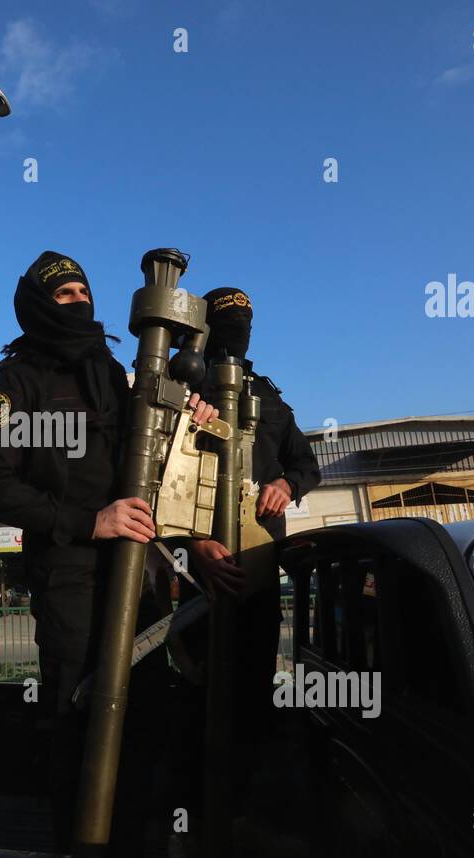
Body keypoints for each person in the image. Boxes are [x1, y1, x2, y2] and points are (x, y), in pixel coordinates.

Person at [0, 250, 218, 855]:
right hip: (70, 576)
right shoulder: (16, 384)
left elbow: (157, 452)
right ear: (37, 306)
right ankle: (81, 849)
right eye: (64, 295)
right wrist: (89, 522)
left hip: (141, 572)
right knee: (82, 719)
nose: (80, 301)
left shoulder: (111, 371)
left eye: (84, 291)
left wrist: (194, 419)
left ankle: (134, 843)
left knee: (145, 714)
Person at [180, 286, 321, 802]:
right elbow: (154, 487)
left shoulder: (268, 398)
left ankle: (249, 803)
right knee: (199, 687)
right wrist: (193, 548)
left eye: (245, 320)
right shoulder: (185, 390)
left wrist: (287, 486)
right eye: (227, 319)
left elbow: (306, 464)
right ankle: (201, 799)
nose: (237, 330)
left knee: (255, 684)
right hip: (193, 574)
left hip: (257, 567)